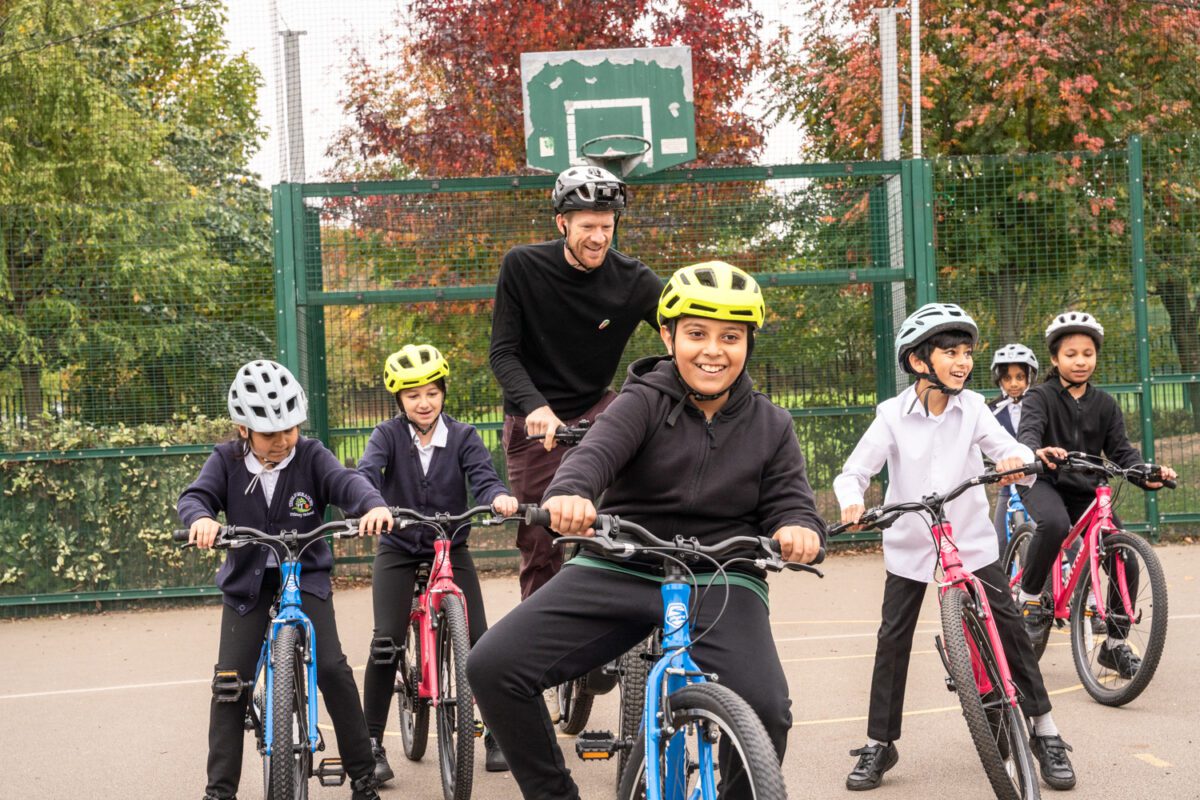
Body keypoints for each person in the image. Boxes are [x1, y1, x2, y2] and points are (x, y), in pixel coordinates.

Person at [469, 262, 826, 800]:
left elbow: (792, 501)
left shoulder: (772, 424)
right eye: (697, 334)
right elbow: (593, 456)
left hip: (722, 577)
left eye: (731, 337)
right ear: (668, 335)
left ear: (748, 343)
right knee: (493, 666)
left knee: (767, 710)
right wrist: (572, 494)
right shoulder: (640, 401)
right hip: (622, 562)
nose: (713, 350)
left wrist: (799, 527)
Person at [833, 303, 1075, 792]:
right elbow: (854, 472)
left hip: (969, 541)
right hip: (910, 543)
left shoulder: (975, 408)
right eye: (950, 352)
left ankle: (1045, 730)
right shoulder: (891, 416)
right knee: (892, 640)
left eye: (966, 352)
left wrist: (1015, 459)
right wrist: (851, 501)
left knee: (1009, 629)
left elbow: (1009, 448)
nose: (963, 361)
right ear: (920, 361)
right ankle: (880, 742)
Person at [488, 164, 662, 718]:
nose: (599, 237)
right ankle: (530, 677)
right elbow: (503, 353)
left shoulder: (633, 280)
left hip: (598, 408)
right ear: (562, 222)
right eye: (588, 225)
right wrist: (535, 407)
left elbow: (682, 327)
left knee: (633, 516)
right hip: (536, 420)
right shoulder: (523, 266)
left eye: (607, 226)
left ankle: (632, 627)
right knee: (544, 542)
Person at [178, 360, 391, 800]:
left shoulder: (311, 455)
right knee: (229, 683)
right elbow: (196, 496)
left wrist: (371, 505)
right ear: (243, 429)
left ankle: (364, 779)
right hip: (247, 588)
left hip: (305, 579)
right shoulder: (225, 461)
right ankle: (220, 792)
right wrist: (200, 519)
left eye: (289, 429)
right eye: (269, 433)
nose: (282, 441)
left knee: (332, 668)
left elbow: (345, 483)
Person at [355, 344, 519, 778]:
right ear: (399, 401)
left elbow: (483, 477)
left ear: (443, 392)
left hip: (451, 547)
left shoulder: (463, 437)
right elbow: (366, 476)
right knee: (386, 642)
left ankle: (495, 733)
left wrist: (497, 497)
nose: (424, 403)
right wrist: (373, 505)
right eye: (413, 396)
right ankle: (371, 743)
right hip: (399, 548)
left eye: (431, 392)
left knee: (483, 642)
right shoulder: (386, 436)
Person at [1015, 311, 1176, 676]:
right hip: (1045, 482)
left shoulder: (1105, 404)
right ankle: (1028, 601)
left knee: (1126, 557)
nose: (1081, 361)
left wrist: (1146, 473)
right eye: (1071, 354)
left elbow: (1122, 452)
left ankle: (1115, 646)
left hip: (1086, 489)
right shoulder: (1039, 397)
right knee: (1053, 525)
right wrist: (1035, 452)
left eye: (1088, 353)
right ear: (1055, 359)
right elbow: (1029, 433)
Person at [987, 343, 1040, 553]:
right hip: (1007, 484)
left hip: (1038, 482)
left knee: (1058, 531)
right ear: (999, 380)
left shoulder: (1040, 405)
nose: (1014, 383)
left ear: (1029, 377)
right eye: (1007, 378)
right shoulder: (990, 411)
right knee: (998, 540)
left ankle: (1083, 581)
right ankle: (1000, 584)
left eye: (1019, 377)